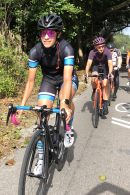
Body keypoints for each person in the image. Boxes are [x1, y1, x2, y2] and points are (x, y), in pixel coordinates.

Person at [17, 13, 79, 175]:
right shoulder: (35, 51)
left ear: (58, 34)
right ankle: (42, 159)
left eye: (50, 33)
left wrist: (65, 104)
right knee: (41, 115)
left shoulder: (66, 48)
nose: (46, 36)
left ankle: (68, 127)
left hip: (67, 78)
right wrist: (22, 106)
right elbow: (30, 82)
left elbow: (66, 79)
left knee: (64, 100)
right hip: (49, 80)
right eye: (43, 33)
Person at [83, 37, 113, 115]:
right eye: (99, 47)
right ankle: (94, 91)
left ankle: (105, 104)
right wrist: (86, 72)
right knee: (93, 78)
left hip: (105, 67)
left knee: (105, 84)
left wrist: (110, 72)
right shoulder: (92, 52)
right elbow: (89, 63)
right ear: (96, 47)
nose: (101, 48)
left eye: (103, 46)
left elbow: (110, 63)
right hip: (96, 66)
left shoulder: (107, 51)